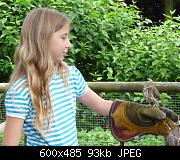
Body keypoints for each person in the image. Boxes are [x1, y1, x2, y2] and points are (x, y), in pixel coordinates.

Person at [2, 8, 178, 146]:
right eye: (63, 38)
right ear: (42, 40)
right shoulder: (21, 91)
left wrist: (137, 112)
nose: (69, 44)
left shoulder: (70, 75)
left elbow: (102, 105)